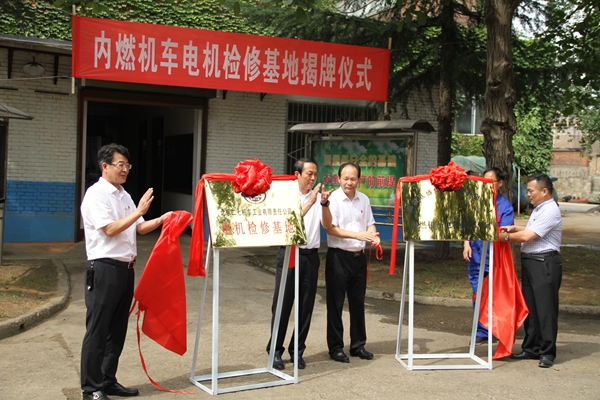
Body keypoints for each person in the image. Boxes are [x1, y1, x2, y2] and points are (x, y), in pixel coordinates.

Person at [80, 143, 172, 400]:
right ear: (105, 166)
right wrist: (139, 211)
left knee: (117, 330)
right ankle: (91, 388)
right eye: (120, 165)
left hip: (125, 269)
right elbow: (110, 229)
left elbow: (139, 228)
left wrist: (163, 219)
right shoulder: (96, 195)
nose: (125, 170)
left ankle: (107, 380)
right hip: (104, 268)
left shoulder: (124, 195)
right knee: (98, 331)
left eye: (127, 165)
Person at [266, 158, 333, 370]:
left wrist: (323, 204)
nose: (313, 178)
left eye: (315, 174)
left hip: (311, 256)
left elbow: (327, 224)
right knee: (282, 304)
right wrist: (311, 202)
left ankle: (297, 350)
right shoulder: (286, 195)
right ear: (297, 174)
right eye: (309, 174)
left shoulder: (319, 196)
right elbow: (288, 222)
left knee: (306, 306)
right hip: (290, 254)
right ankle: (275, 351)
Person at [500, 173, 562, 368]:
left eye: (531, 191)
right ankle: (532, 347)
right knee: (531, 308)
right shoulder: (539, 209)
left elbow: (528, 236)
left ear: (544, 191)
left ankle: (547, 352)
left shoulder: (550, 209)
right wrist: (514, 228)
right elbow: (529, 229)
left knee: (545, 309)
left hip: (544, 263)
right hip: (531, 262)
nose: (528, 194)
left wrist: (504, 237)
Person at [321, 162, 380, 363]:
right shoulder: (333, 200)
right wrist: (358, 235)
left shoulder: (364, 199)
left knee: (358, 303)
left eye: (353, 179)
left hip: (358, 258)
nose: (349, 182)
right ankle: (336, 347)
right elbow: (331, 229)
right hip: (338, 257)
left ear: (359, 180)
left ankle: (358, 345)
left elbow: (370, 224)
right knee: (335, 304)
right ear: (338, 179)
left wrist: (373, 236)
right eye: (345, 178)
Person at [463, 167, 514, 344]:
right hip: (476, 257)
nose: (486, 185)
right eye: (483, 181)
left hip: (494, 259)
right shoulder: (477, 201)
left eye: (491, 182)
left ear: (500, 183)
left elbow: (504, 233)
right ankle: (481, 330)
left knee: (493, 296)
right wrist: (466, 243)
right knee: (477, 294)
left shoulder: (505, 206)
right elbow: (468, 225)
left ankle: (493, 329)